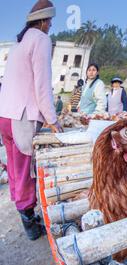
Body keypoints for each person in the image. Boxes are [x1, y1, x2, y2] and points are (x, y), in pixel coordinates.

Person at [0, 0, 63, 241]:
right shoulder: (41, 40)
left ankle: (23, 210)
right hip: (22, 116)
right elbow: (42, 85)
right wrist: (52, 119)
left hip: (5, 114)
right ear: (44, 21)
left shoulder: (18, 45)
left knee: (15, 169)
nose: (50, 26)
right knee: (25, 169)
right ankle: (30, 223)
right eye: (50, 22)